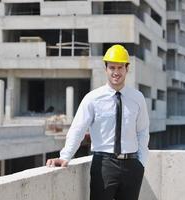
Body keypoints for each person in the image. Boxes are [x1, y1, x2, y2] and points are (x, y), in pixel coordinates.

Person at [46, 44, 150, 200]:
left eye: (120, 67)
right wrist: (65, 156)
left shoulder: (137, 98)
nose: (116, 72)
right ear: (106, 68)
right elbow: (78, 129)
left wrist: (141, 162)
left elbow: (142, 131)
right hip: (104, 165)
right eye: (112, 67)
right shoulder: (93, 98)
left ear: (127, 68)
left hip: (132, 166)